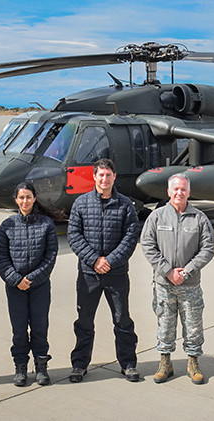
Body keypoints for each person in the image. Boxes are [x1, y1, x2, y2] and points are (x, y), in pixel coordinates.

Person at [67, 158, 141, 383]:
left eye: (108, 175)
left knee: (122, 321)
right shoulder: (81, 203)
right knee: (84, 321)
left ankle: (128, 364)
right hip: (89, 275)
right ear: (94, 177)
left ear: (114, 177)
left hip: (116, 274)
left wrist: (109, 261)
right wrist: (94, 260)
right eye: (101, 175)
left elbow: (131, 236)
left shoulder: (125, 204)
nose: (104, 179)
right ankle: (79, 365)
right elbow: (74, 235)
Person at [140, 173, 214, 385]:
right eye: (175, 189)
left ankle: (193, 362)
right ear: (168, 192)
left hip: (189, 284)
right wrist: (167, 271)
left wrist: (187, 271)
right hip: (164, 284)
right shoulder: (157, 217)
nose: (179, 193)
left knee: (193, 325)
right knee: (165, 323)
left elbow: (208, 248)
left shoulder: (199, 218)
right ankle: (165, 362)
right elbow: (147, 244)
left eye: (183, 189)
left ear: (189, 192)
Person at [0, 182, 58, 387]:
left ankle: (41, 366)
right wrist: (15, 279)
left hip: (39, 286)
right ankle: (20, 365)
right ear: (16, 200)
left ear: (34, 198)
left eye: (28, 197)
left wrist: (33, 279)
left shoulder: (46, 225)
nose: (25, 201)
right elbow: (0, 257)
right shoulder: (7, 226)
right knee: (19, 329)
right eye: (21, 197)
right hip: (15, 287)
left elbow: (50, 256)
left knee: (39, 327)